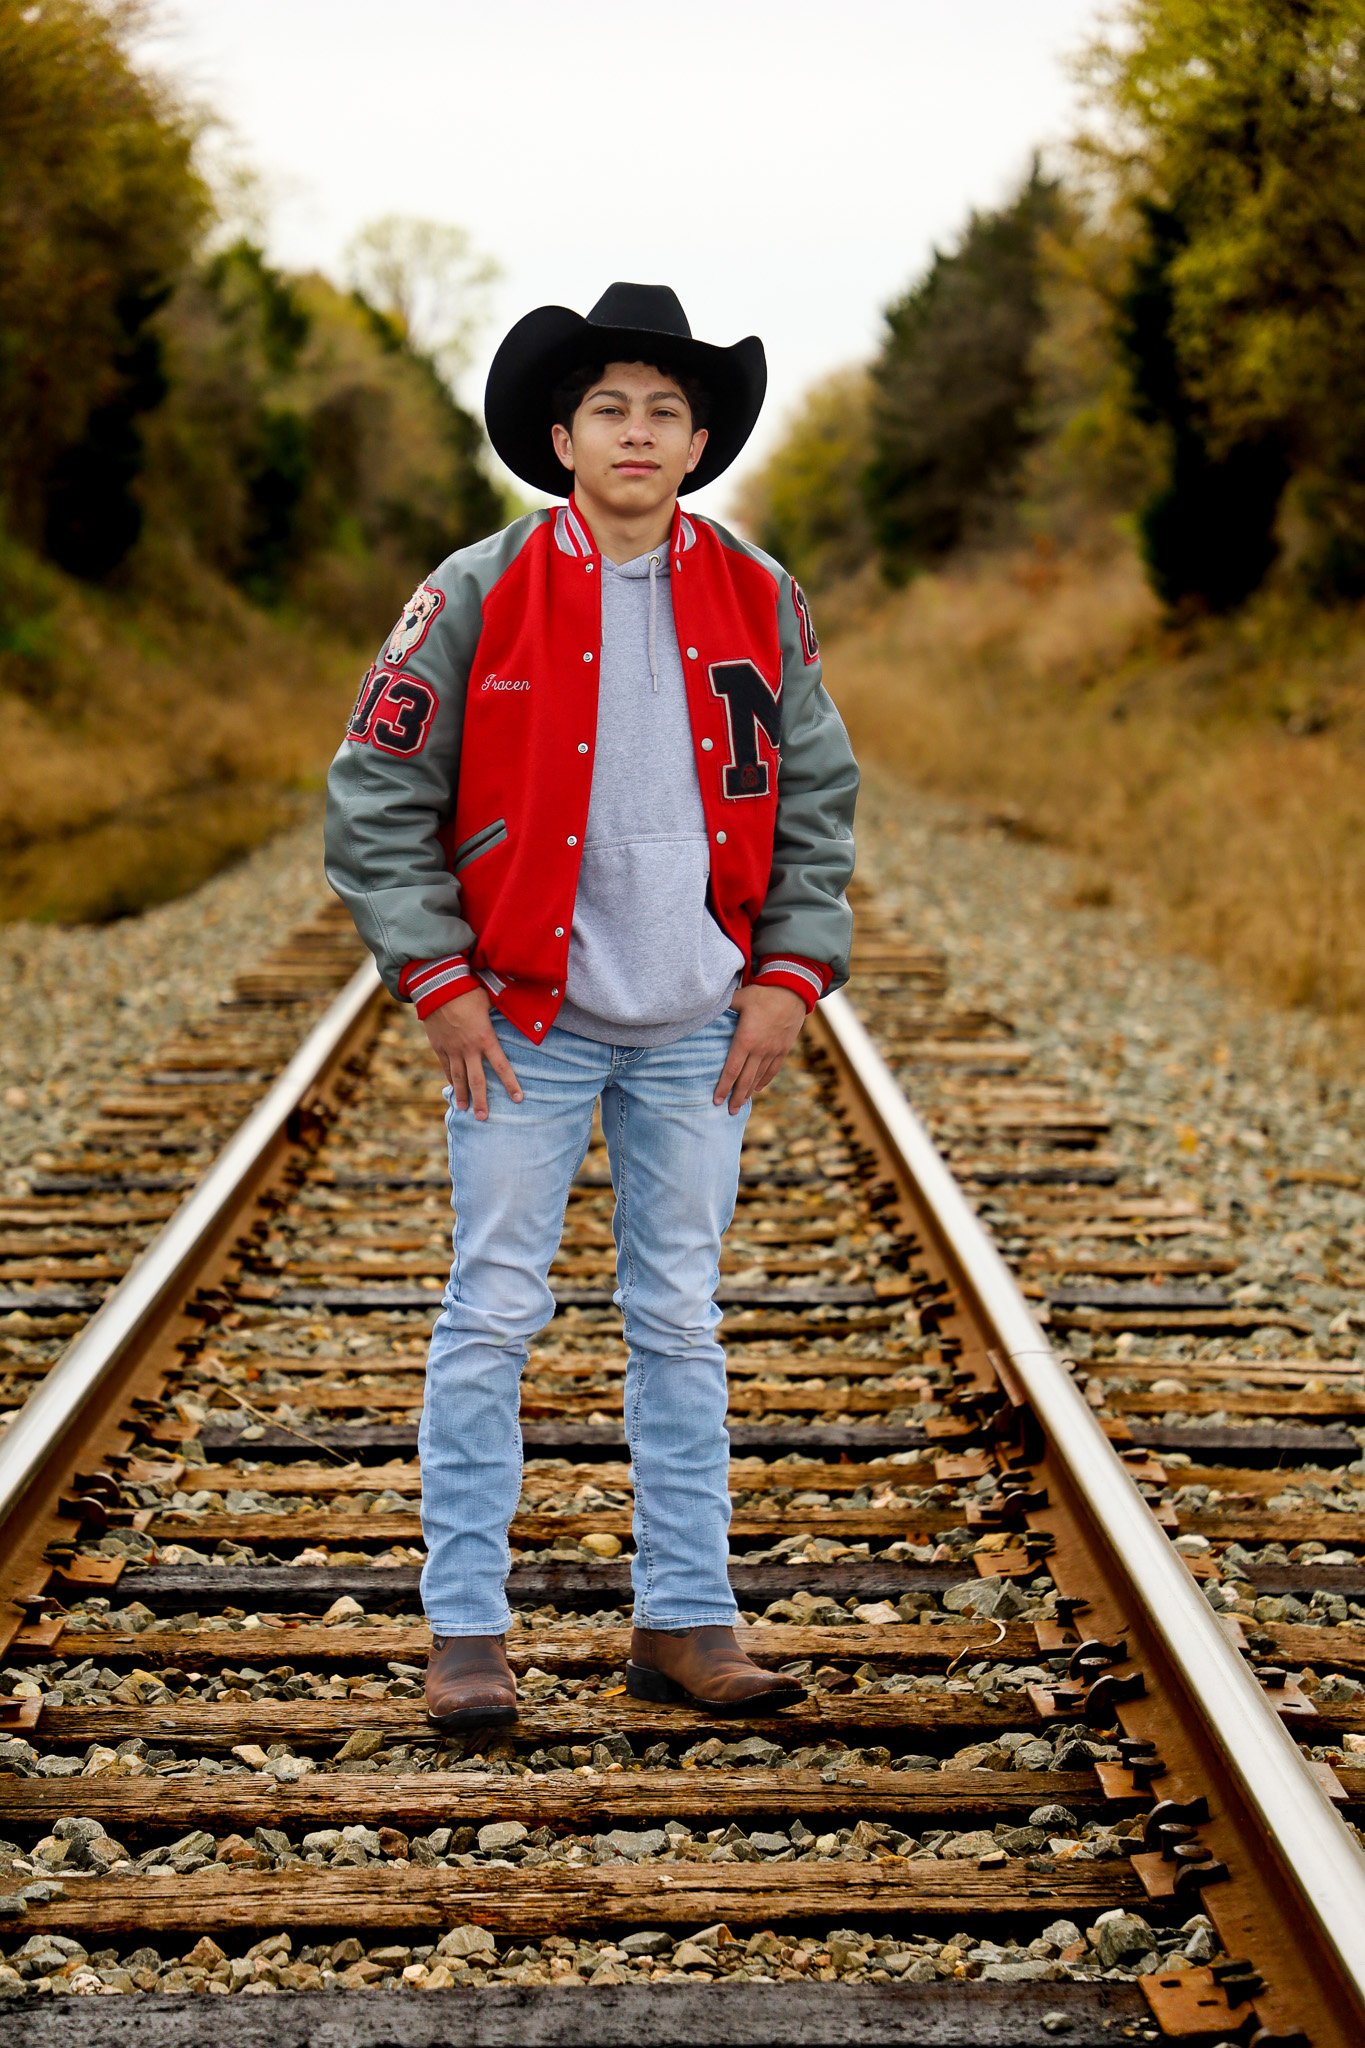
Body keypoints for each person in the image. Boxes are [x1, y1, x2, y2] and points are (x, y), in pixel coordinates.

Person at [324, 282, 860, 1729]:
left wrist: (787, 976)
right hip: (525, 1020)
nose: (638, 432)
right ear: (559, 437)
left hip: (698, 1015)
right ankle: (465, 1636)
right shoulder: (473, 590)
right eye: (609, 409)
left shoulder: (759, 593)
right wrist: (436, 977)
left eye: (665, 413)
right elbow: (374, 790)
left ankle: (685, 1622)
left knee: (678, 1316)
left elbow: (817, 797)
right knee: (491, 1310)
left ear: (697, 445)